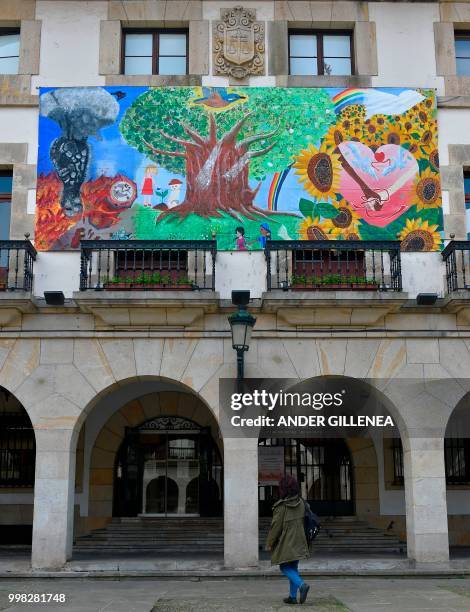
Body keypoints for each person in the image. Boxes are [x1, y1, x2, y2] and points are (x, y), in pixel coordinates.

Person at [266, 475, 310, 605]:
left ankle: (302, 585)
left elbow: (276, 527)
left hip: (286, 540)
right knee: (293, 567)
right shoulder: (302, 502)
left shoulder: (282, 506)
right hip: (300, 539)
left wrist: (270, 543)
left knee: (284, 567)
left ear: (283, 489)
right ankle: (292, 597)